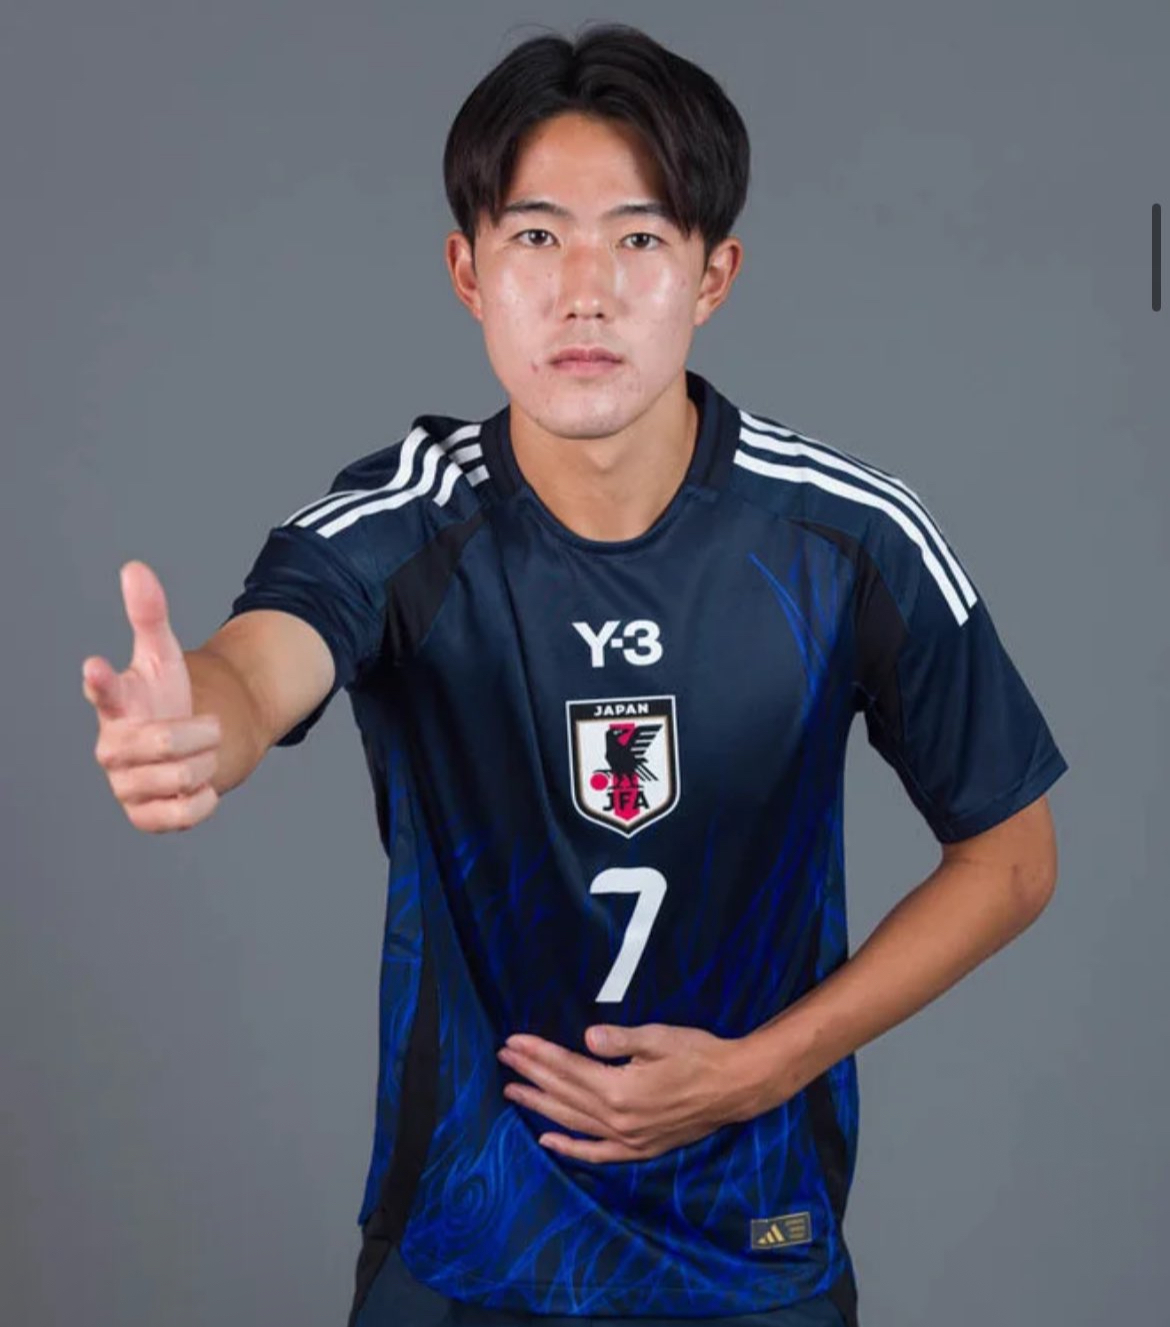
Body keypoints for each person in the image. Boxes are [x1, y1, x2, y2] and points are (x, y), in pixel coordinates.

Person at [81, 22, 1068, 1327]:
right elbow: (261, 669)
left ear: (713, 275)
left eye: (639, 239)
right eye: (537, 237)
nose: (584, 291)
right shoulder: (402, 521)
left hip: (751, 1245)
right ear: (468, 270)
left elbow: (1012, 857)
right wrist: (198, 729)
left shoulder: (847, 536)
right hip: (465, 1245)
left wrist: (761, 1071)